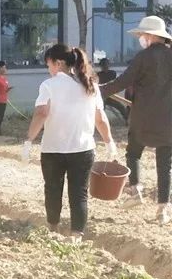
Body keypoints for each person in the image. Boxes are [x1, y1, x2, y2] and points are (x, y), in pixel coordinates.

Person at [24, 44, 116, 240]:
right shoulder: (90, 85)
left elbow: (41, 113)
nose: (48, 69)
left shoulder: (48, 85)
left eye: (48, 64)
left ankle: (53, 228)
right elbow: (100, 118)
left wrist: (28, 140)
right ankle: (76, 235)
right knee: (79, 192)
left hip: (53, 149)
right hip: (83, 149)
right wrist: (109, 142)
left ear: (58, 63)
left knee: (53, 189)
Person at [99, 15, 172, 226]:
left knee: (133, 153)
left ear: (150, 36)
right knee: (165, 164)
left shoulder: (142, 57)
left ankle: (136, 190)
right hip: (167, 119)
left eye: (141, 34)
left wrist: (97, 92)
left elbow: (122, 81)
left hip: (142, 117)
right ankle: (163, 210)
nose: (140, 37)